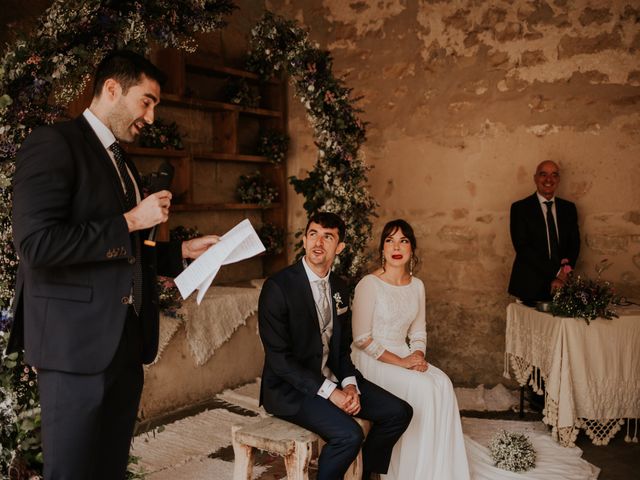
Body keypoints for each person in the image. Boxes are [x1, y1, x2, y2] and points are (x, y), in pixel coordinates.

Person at [8, 50, 219, 479]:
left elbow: (121, 250)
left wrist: (180, 252)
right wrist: (132, 220)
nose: (152, 116)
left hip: (124, 343)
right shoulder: (54, 143)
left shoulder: (122, 161)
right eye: (147, 100)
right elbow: (37, 245)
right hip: (74, 346)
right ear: (111, 89)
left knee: (107, 470)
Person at [258, 212, 413, 480]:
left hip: (331, 376)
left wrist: (350, 384)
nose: (319, 242)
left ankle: (366, 476)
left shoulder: (339, 287)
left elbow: (341, 350)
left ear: (339, 247)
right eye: (313, 234)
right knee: (348, 435)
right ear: (305, 240)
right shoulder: (278, 287)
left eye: (328, 237)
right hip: (290, 389)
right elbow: (280, 361)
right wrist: (332, 392)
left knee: (398, 413)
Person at [351, 219, 470, 480]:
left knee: (443, 383)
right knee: (425, 389)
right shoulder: (368, 284)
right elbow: (361, 338)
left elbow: (418, 331)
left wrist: (416, 355)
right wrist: (402, 362)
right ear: (382, 249)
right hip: (371, 360)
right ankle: (409, 472)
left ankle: (437, 469)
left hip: (403, 353)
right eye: (390, 240)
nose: (396, 246)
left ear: (412, 249)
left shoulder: (417, 286)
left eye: (403, 240)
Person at [508, 160, 580, 305]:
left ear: (558, 180)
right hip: (529, 286)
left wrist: (563, 275)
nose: (549, 179)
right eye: (543, 174)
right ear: (535, 178)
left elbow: (574, 244)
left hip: (562, 286)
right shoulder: (520, 208)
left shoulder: (569, 208)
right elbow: (523, 248)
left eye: (554, 175)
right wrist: (556, 272)